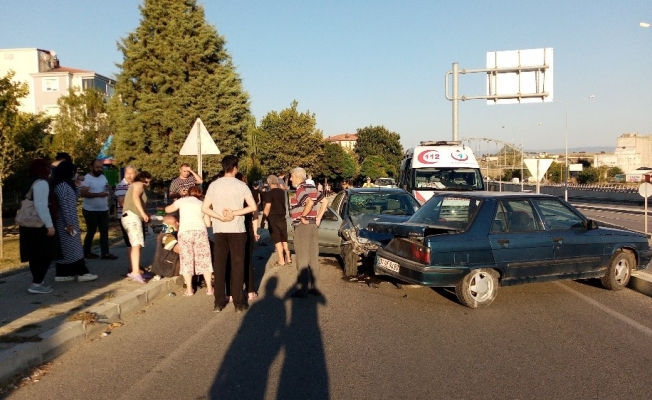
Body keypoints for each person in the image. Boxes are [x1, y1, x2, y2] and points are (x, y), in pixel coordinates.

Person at [202, 155, 257, 313]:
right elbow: (253, 207)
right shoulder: (241, 185)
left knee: (220, 266)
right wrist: (234, 212)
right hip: (237, 230)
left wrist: (219, 217)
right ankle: (238, 303)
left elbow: (205, 208)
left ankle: (218, 302)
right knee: (237, 266)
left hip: (219, 230)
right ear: (235, 168)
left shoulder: (214, 185)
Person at [19, 159, 62, 294]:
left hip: (28, 223)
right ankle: (37, 283)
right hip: (39, 223)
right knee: (46, 253)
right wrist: (49, 225)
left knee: (34, 254)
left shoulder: (28, 181)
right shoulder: (41, 183)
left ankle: (38, 281)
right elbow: (41, 206)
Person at [52, 161, 98, 282]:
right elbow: (64, 206)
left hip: (70, 221)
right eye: (74, 172)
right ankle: (82, 272)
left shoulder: (65, 185)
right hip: (66, 223)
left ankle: (63, 273)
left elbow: (74, 198)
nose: (75, 174)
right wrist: (69, 224)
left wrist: (77, 185)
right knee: (73, 248)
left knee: (68, 249)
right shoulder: (62, 186)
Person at [165, 186, 213, 296]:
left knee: (186, 260)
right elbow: (208, 224)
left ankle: (189, 289)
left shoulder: (182, 201)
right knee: (205, 259)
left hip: (185, 232)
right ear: (200, 194)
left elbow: (167, 209)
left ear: (188, 193)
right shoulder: (202, 204)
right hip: (200, 232)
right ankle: (210, 289)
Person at [288, 167, 328, 298]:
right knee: (313, 257)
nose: (290, 179)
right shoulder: (312, 188)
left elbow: (309, 203)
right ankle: (316, 287)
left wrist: (303, 216)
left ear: (297, 177)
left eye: (292, 176)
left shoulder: (300, 188)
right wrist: (318, 218)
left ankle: (302, 289)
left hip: (302, 227)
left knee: (302, 258)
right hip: (312, 226)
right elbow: (325, 201)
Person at [80, 159, 117, 260]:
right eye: (97, 167)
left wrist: (109, 188)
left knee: (104, 231)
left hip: (103, 209)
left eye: (101, 167)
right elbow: (83, 194)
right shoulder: (87, 178)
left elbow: (106, 187)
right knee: (91, 231)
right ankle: (87, 252)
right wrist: (98, 194)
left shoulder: (103, 177)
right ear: (92, 167)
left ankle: (105, 253)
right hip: (90, 210)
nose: (99, 169)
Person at [122, 171, 152, 283]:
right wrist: (143, 214)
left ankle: (136, 269)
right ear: (144, 179)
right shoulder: (139, 184)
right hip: (132, 217)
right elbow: (135, 197)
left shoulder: (134, 185)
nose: (148, 184)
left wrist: (145, 214)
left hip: (131, 217)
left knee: (136, 245)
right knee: (136, 244)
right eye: (148, 181)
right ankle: (135, 272)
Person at [236, 172, 260, 301]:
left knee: (235, 261)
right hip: (248, 229)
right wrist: (255, 231)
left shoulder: (232, 195)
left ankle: (236, 290)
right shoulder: (249, 194)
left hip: (234, 230)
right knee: (248, 260)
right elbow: (255, 215)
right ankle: (250, 291)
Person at [263, 175, 291, 266]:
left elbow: (267, 207)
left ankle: (281, 259)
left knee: (277, 239)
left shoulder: (269, 194)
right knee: (284, 237)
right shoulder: (283, 192)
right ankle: (288, 256)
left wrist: (263, 219)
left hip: (273, 219)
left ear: (269, 183)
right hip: (282, 217)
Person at [115, 166, 138, 269]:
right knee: (130, 242)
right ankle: (132, 267)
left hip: (136, 216)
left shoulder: (136, 185)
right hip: (126, 216)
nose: (129, 176)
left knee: (137, 243)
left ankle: (136, 265)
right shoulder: (121, 186)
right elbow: (122, 203)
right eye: (127, 173)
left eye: (132, 173)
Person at [150, 214, 181, 280]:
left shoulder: (164, 235)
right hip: (169, 269)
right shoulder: (167, 237)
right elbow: (180, 250)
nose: (178, 223)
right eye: (175, 222)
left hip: (166, 267)